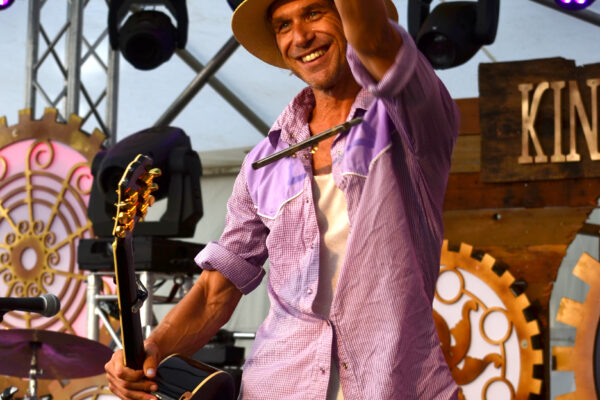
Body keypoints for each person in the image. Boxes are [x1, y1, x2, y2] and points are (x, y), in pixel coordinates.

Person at [105, 0, 460, 398]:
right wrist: (153, 348)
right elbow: (215, 292)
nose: (300, 37)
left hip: (392, 384)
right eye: (283, 25)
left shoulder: (412, 117)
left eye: (313, 13)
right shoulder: (264, 161)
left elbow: (374, 41)